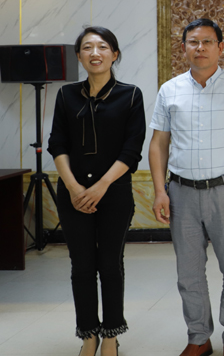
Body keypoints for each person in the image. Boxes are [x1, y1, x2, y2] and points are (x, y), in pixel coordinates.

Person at [149, 18, 224, 356]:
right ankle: (198, 338)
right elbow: (158, 143)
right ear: (184, 47)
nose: (200, 48)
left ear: (220, 47)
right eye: (193, 42)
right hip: (181, 192)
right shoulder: (169, 90)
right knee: (189, 272)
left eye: (207, 42)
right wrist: (160, 190)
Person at [47, 26, 146, 356]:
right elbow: (57, 144)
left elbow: (132, 150)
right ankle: (88, 334)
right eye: (87, 47)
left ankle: (111, 335)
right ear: (79, 56)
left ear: (114, 54)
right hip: (73, 193)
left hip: (114, 192)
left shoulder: (130, 95)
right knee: (82, 266)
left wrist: (101, 185)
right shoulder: (66, 95)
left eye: (103, 47)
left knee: (110, 263)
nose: (95, 53)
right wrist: (74, 188)